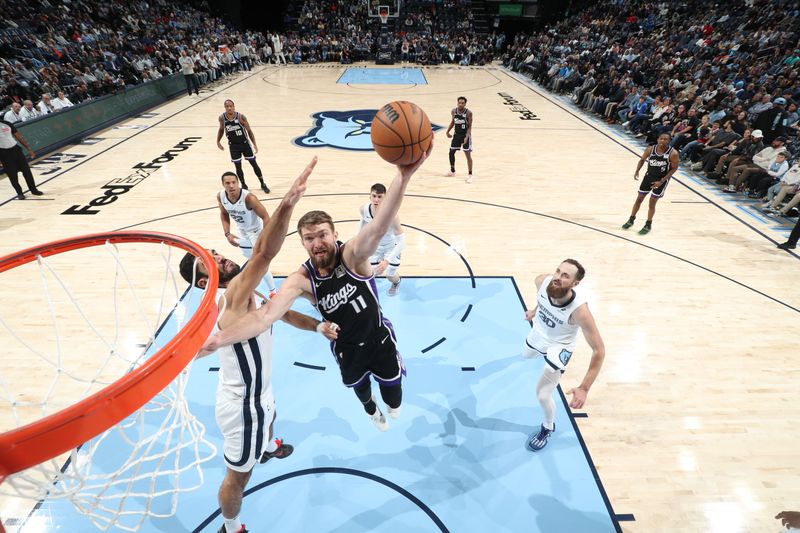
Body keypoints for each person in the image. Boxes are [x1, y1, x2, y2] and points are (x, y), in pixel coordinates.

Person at [200, 141, 434, 432]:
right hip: (346, 346)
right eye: (309, 238)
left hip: (378, 337)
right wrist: (217, 340)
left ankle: (389, 406)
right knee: (361, 392)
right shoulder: (302, 279)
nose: (317, 242)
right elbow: (264, 316)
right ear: (302, 243)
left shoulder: (353, 255)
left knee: (394, 396)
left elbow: (378, 226)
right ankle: (371, 409)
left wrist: (403, 176)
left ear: (335, 233)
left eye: (322, 234)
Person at [181, 158, 322, 533]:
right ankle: (232, 526)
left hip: (259, 394)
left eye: (213, 254)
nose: (218, 259)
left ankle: (268, 444)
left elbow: (279, 312)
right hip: (242, 406)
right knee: (237, 479)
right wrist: (288, 203)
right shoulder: (232, 297)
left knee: (272, 412)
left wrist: (317, 326)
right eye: (208, 264)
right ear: (202, 283)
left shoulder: (249, 288)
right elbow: (263, 253)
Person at [522, 259, 605, 451]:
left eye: (565, 275)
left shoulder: (580, 311)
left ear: (575, 284)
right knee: (526, 354)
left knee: (542, 395)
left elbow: (599, 350)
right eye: (558, 271)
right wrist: (534, 312)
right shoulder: (542, 281)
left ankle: (547, 427)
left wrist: (584, 387)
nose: (557, 278)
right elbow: (541, 298)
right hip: (539, 333)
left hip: (560, 346)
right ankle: (538, 351)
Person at [218, 170, 276, 293]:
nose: (231, 185)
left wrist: (265, 237)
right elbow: (223, 214)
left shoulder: (249, 198)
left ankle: (273, 291)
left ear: (238, 183)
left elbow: (266, 217)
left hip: (256, 231)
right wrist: (227, 233)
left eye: (234, 182)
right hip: (241, 231)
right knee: (251, 258)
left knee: (259, 262)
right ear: (223, 185)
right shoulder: (221, 196)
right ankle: (257, 280)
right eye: (228, 183)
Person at [621, 132, 679, 235]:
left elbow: (674, 168)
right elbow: (642, 160)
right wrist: (637, 170)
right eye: (661, 138)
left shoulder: (673, 153)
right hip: (649, 176)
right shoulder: (650, 149)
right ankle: (631, 219)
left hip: (661, 179)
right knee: (639, 199)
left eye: (665, 139)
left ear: (669, 141)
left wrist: (661, 181)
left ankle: (648, 224)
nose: (662, 141)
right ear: (658, 139)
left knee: (652, 202)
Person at [359, 183, 405, 296]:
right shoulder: (364, 209)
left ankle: (397, 282)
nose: (376, 199)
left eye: (380, 197)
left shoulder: (392, 216)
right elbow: (362, 225)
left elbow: (402, 243)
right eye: (374, 196)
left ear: (385, 198)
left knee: (390, 275)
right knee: (369, 273)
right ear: (369, 196)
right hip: (374, 247)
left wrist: (387, 261)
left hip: (391, 247)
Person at [217, 99, 269, 193]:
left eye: (231, 106)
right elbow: (221, 129)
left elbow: (249, 131)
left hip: (244, 144)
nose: (229, 108)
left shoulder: (241, 117)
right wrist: (218, 141)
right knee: (238, 167)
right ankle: (244, 185)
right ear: (225, 108)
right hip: (233, 146)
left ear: (234, 107)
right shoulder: (222, 118)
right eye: (227, 106)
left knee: (254, 164)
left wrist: (254, 144)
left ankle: (262, 183)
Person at [0, 118, 43, 199]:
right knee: (12, 175)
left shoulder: (7, 123)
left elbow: (19, 137)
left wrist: (29, 149)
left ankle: (33, 190)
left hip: (16, 150)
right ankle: (19, 193)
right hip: (3, 153)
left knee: (27, 171)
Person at [445, 96, 474, 183]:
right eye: (459, 102)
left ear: (465, 104)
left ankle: (470, 175)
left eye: (462, 103)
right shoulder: (453, 111)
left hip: (465, 135)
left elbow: (469, 127)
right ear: (457, 103)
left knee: (467, 155)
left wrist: (466, 137)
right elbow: (453, 122)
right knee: (451, 152)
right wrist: (447, 131)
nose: (461, 104)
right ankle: (452, 171)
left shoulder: (469, 113)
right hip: (456, 135)